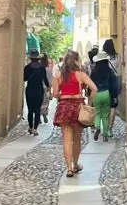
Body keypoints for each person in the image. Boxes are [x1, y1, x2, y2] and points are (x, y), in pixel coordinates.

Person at [52, 49, 98, 177]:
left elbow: (55, 94)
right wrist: (88, 104)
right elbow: (94, 89)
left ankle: (69, 169)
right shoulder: (81, 75)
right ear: (77, 61)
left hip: (64, 108)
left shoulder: (58, 76)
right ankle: (75, 164)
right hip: (78, 107)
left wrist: (62, 95)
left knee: (67, 140)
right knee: (77, 140)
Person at [90, 47, 119, 141]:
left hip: (96, 94)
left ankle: (97, 126)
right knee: (106, 115)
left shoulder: (94, 71)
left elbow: (90, 83)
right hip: (106, 93)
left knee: (98, 113)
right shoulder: (109, 71)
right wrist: (114, 95)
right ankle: (105, 135)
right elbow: (113, 84)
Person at [23, 49, 50, 135]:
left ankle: (30, 127)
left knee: (30, 110)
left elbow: (24, 79)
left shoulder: (27, 68)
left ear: (30, 58)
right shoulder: (42, 68)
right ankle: (35, 128)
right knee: (37, 110)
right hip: (39, 90)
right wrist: (49, 88)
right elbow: (45, 81)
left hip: (30, 90)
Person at [102, 38, 120, 133]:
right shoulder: (117, 56)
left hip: (105, 82)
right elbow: (119, 68)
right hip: (114, 82)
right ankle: (109, 129)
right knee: (113, 105)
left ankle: (104, 127)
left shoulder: (103, 56)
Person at [39, 54, 52, 123]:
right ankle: (44, 113)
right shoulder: (49, 69)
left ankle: (39, 116)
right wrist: (49, 90)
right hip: (46, 88)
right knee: (45, 102)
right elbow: (50, 81)